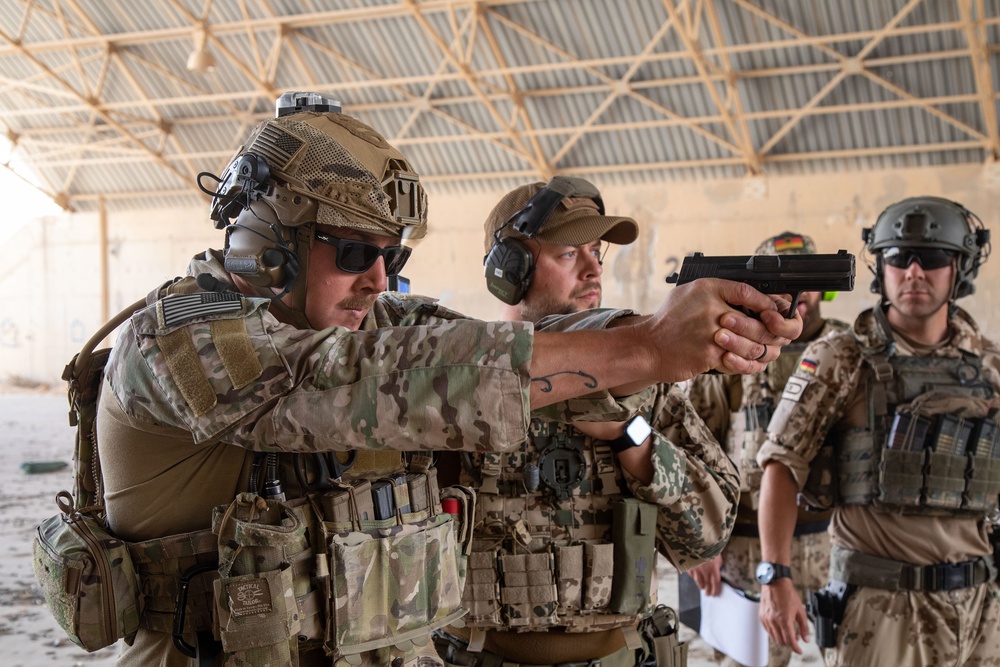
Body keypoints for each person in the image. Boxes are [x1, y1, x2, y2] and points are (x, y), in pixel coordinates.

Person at [62, 92, 801, 667]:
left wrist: (701, 324)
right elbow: (360, 384)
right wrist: (646, 346)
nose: (379, 280)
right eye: (354, 251)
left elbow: (512, 341)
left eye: (393, 255)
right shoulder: (179, 335)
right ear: (268, 240)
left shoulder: (370, 318)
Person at [432, 177, 741, 667]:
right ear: (509, 268)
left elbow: (709, 536)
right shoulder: (449, 387)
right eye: (570, 254)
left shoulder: (640, 384)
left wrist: (630, 436)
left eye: (598, 252)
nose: (595, 270)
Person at [756, 197, 1000, 667]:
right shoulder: (840, 357)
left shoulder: (987, 366)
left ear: (959, 268)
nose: (913, 272)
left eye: (930, 259)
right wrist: (775, 576)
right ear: (880, 267)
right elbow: (781, 465)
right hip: (884, 606)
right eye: (896, 257)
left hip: (980, 605)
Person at [685, 232, 850, 667]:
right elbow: (694, 449)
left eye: (805, 277)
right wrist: (701, 542)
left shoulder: (851, 355)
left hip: (834, 543)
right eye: (779, 279)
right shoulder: (728, 354)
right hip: (744, 549)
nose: (795, 292)